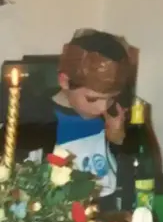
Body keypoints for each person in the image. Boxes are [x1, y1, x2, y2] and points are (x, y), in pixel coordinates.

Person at [0, 29, 133, 211]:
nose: (102, 108)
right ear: (64, 81)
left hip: (108, 217)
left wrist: (118, 140)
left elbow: (135, 177)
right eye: (92, 99)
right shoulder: (35, 119)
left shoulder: (115, 114)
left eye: (110, 98)